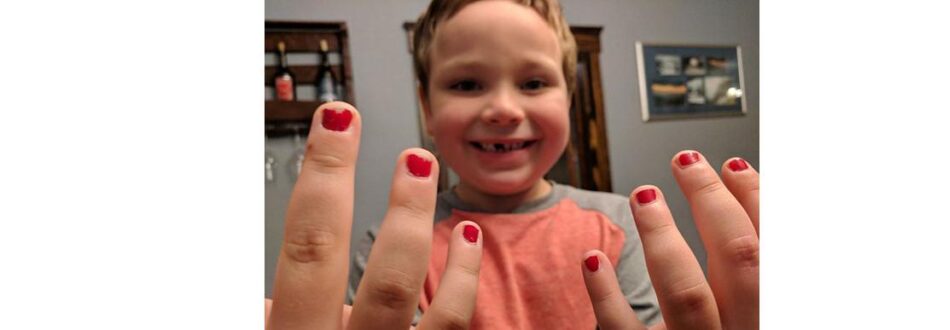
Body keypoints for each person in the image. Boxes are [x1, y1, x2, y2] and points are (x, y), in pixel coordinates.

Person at [265, 0, 759, 329]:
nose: (503, 108)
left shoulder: (615, 222)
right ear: (427, 108)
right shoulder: (394, 246)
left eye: (533, 83)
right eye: (466, 85)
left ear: (569, 98)